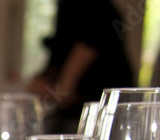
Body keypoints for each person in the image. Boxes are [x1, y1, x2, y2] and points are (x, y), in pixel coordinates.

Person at [29, 0, 134, 131]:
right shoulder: (66, 7)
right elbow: (62, 52)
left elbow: (90, 41)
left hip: (98, 106)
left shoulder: (90, 5)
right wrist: (45, 79)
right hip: (79, 108)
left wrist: (64, 86)